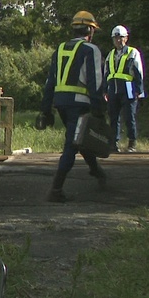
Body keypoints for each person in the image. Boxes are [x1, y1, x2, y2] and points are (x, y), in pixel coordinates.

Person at [40, 11, 108, 202]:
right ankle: (55, 190)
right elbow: (95, 83)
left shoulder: (60, 49)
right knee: (72, 143)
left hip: (61, 102)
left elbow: (49, 82)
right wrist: (99, 110)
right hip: (80, 104)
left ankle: (96, 171)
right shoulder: (91, 50)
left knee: (79, 138)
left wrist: (46, 110)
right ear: (90, 30)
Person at [104, 25, 144, 153]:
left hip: (128, 87)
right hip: (113, 88)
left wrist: (139, 89)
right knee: (113, 117)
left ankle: (132, 142)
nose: (118, 40)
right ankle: (113, 143)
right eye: (115, 38)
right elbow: (106, 73)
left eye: (120, 38)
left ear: (126, 38)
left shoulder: (133, 52)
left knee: (129, 116)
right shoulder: (110, 54)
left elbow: (138, 72)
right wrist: (105, 89)